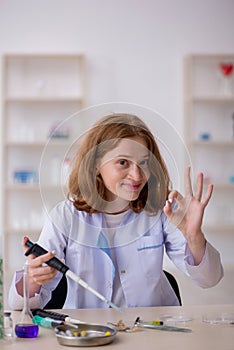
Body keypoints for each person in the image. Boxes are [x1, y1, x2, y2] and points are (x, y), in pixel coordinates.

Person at [8, 113, 223, 310]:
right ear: (95, 166)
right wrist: (32, 280)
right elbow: (17, 304)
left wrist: (194, 237)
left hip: (153, 332)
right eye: (123, 163)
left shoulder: (160, 211)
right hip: (89, 334)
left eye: (144, 163)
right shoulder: (66, 217)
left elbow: (210, 279)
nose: (137, 176)